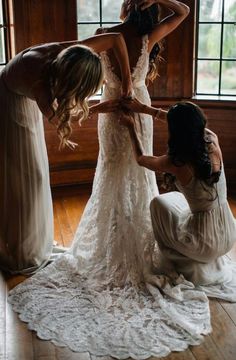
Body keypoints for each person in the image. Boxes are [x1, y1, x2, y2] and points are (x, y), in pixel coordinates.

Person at [8, 2, 212, 359]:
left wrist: (112, 104)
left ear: (125, 9)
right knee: (129, 175)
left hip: (113, 113)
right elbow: (181, 11)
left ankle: (117, 238)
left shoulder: (105, 36)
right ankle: (131, 236)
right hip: (137, 111)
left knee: (115, 173)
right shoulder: (147, 38)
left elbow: (82, 96)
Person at [0, 32, 133, 274]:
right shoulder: (40, 86)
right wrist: (98, 109)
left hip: (21, 91)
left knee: (36, 173)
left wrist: (127, 83)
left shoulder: (73, 51)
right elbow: (59, 117)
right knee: (27, 178)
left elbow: (116, 39)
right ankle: (22, 251)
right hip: (8, 101)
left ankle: (35, 241)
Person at [121, 100, 236, 301]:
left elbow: (141, 159)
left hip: (203, 243)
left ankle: (179, 258)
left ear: (176, 130)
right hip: (228, 233)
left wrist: (131, 127)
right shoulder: (212, 139)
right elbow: (187, 124)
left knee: (158, 203)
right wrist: (145, 109)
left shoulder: (176, 161)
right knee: (174, 199)